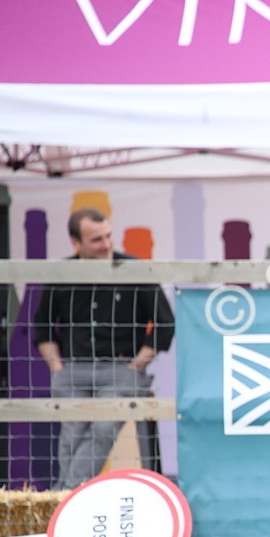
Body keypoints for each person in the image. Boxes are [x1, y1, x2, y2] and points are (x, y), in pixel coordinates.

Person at [34, 208, 175, 490]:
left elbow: (165, 323)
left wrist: (135, 366)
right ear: (76, 242)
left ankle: (62, 496)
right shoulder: (60, 274)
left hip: (121, 368)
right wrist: (57, 368)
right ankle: (64, 500)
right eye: (97, 239)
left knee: (102, 429)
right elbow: (43, 327)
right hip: (73, 369)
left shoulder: (134, 269)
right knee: (71, 435)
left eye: (108, 236)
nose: (106, 245)